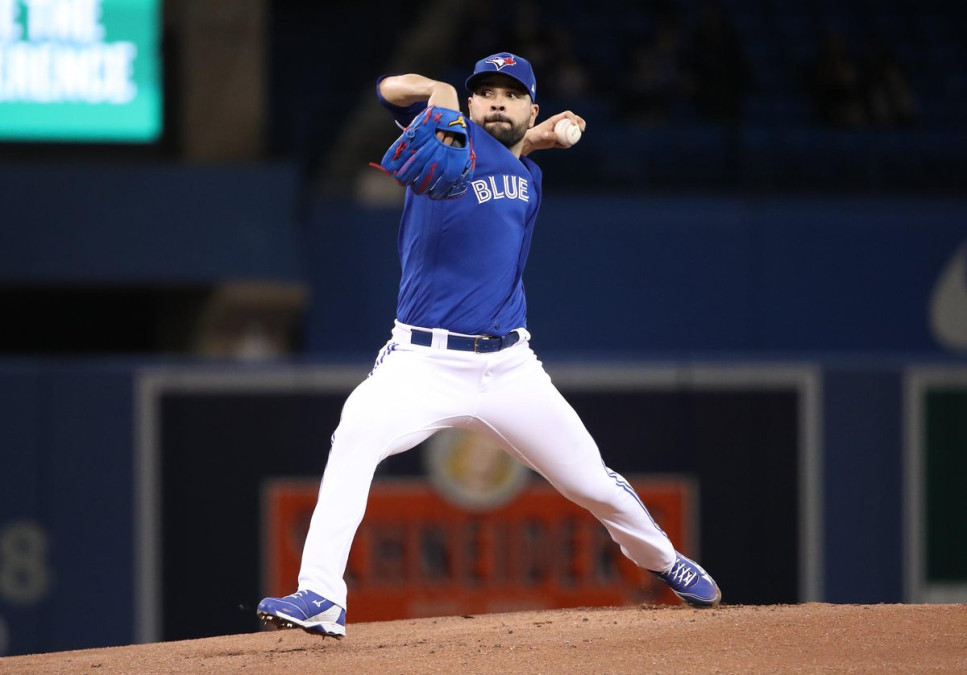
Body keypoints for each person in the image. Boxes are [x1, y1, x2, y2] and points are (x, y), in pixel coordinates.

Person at [257, 52, 721, 639]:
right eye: (486, 92)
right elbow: (389, 88)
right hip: (421, 362)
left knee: (590, 482)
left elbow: (506, 158)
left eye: (512, 93)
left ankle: (664, 560)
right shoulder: (445, 134)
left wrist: (535, 142)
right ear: (472, 104)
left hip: (509, 368)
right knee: (354, 439)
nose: (497, 100)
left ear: (531, 108)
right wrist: (439, 89)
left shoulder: (528, 173)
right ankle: (322, 594)